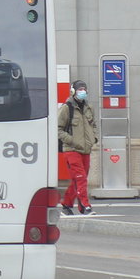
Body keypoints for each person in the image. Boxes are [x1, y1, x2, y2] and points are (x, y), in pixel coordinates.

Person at [58, 79, 98, 216]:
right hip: (71, 150)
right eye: (80, 89)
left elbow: (93, 125)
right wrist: (72, 141)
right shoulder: (66, 108)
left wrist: (95, 138)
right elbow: (58, 129)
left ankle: (66, 205)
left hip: (86, 149)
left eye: (84, 89)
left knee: (78, 179)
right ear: (73, 91)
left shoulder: (89, 107)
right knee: (81, 178)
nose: (83, 91)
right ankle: (86, 206)